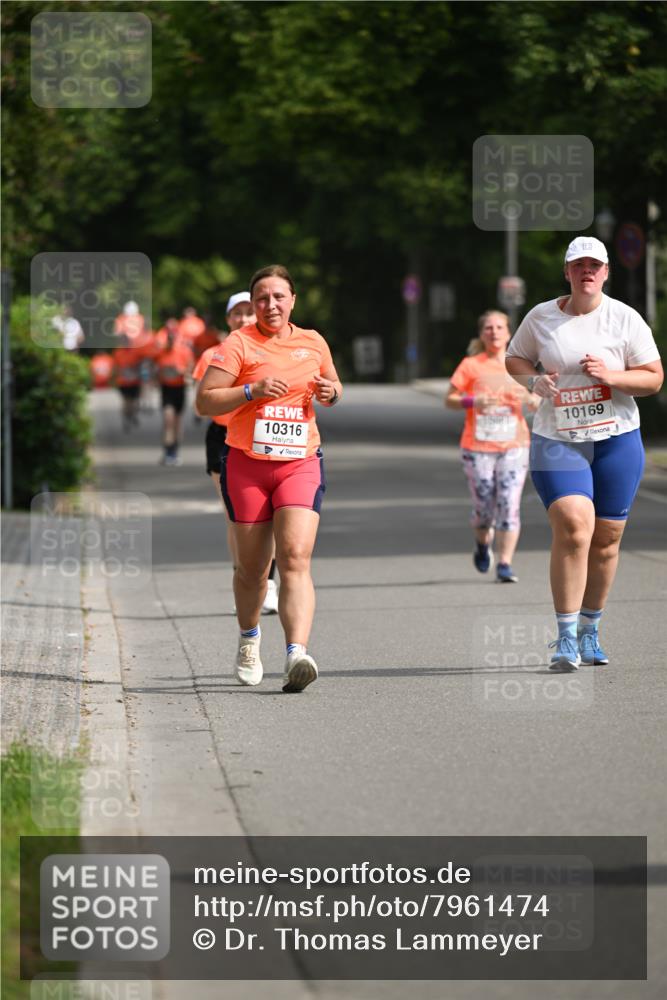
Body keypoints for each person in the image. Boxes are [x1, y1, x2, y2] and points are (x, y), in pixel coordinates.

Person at [506, 235, 663, 671]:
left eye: (595, 266)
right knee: (575, 526)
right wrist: (532, 382)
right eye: (579, 266)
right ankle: (566, 637)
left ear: (607, 273)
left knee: (607, 540)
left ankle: (591, 629)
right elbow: (515, 358)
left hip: (617, 437)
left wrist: (612, 376)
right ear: (568, 273)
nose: (587, 272)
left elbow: (653, 379)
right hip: (558, 438)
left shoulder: (625, 319)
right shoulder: (542, 317)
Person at [197, 265, 342, 693]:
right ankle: (249, 638)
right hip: (247, 464)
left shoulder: (312, 341)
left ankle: (297, 653)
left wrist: (332, 393)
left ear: (293, 299)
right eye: (262, 298)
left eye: (279, 297)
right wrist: (250, 391)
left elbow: (333, 384)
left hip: (300, 461)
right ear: (253, 303)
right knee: (253, 569)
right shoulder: (239, 343)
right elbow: (205, 401)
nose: (270, 305)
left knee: (295, 556)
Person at [192, 291, 279, 614]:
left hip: (262, 434)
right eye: (236, 314)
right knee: (236, 517)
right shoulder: (213, 355)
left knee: (268, 517)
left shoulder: (271, 350)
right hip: (222, 436)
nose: (243, 319)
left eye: (248, 312)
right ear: (228, 319)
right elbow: (202, 402)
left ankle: (267, 584)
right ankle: (243, 580)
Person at [446, 310, 537, 582]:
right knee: (484, 506)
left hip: (515, 445)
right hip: (477, 447)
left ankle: (505, 563)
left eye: (500, 327)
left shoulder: (520, 365)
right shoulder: (471, 365)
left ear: (509, 333)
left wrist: (534, 402)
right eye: (488, 328)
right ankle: (483, 544)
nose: (494, 332)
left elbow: (538, 397)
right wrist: (473, 402)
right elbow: (450, 399)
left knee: (509, 503)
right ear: (481, 333)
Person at [153, 319, 194, 465]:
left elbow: (191, 371)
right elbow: (155, 369)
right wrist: (157, 378)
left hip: (179, 388)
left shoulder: (184, 351)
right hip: (166, 389)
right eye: (168, 335)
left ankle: (175, 451)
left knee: (177, 421)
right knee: (168, 419)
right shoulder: (161, 352)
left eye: (172, 335)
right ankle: (167, 451)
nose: (170, 338)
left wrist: (181, 371)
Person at [112, 336, 143, 431]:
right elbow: (115, 367)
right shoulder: (118, 352)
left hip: (134, 381)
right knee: (126, 400)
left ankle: (132, 414)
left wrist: (137, 374)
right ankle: (126, 418)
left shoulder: (135, 351)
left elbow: (139, 365)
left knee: (134, 401)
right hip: (123, 381)